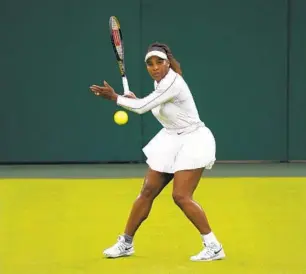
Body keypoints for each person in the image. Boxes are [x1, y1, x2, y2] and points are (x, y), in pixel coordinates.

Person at [89, 42, 225, 261]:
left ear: (168, 63)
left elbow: (143, 108)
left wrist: (116, 98)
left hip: (193, 139)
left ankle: (214, 246)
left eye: (159, 62)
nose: (154, 67)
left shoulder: (173, 82)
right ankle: (126, 242)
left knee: (181, 196)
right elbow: (151, 105)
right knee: (148, 190)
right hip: (171, 139)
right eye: (150, 64)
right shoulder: (159, 83)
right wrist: (132, 101)